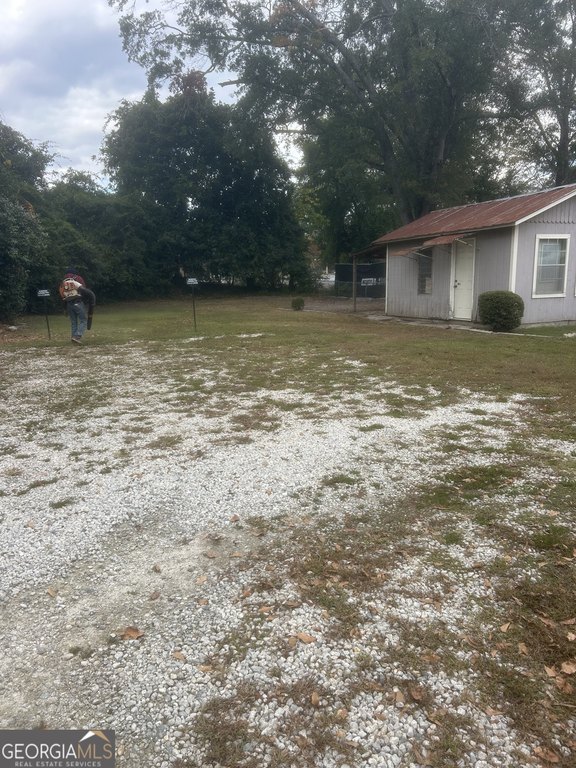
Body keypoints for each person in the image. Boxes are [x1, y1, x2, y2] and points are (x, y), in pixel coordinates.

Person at [59, 276, 95, 344]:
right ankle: (77, 336)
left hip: (69, 305)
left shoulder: (61, 286)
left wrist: (65, 309)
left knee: (73, 322)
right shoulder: (74, 282)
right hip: (77, 303)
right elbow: (83, 290)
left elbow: (63, 299)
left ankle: (73, 337)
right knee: (83, 320)